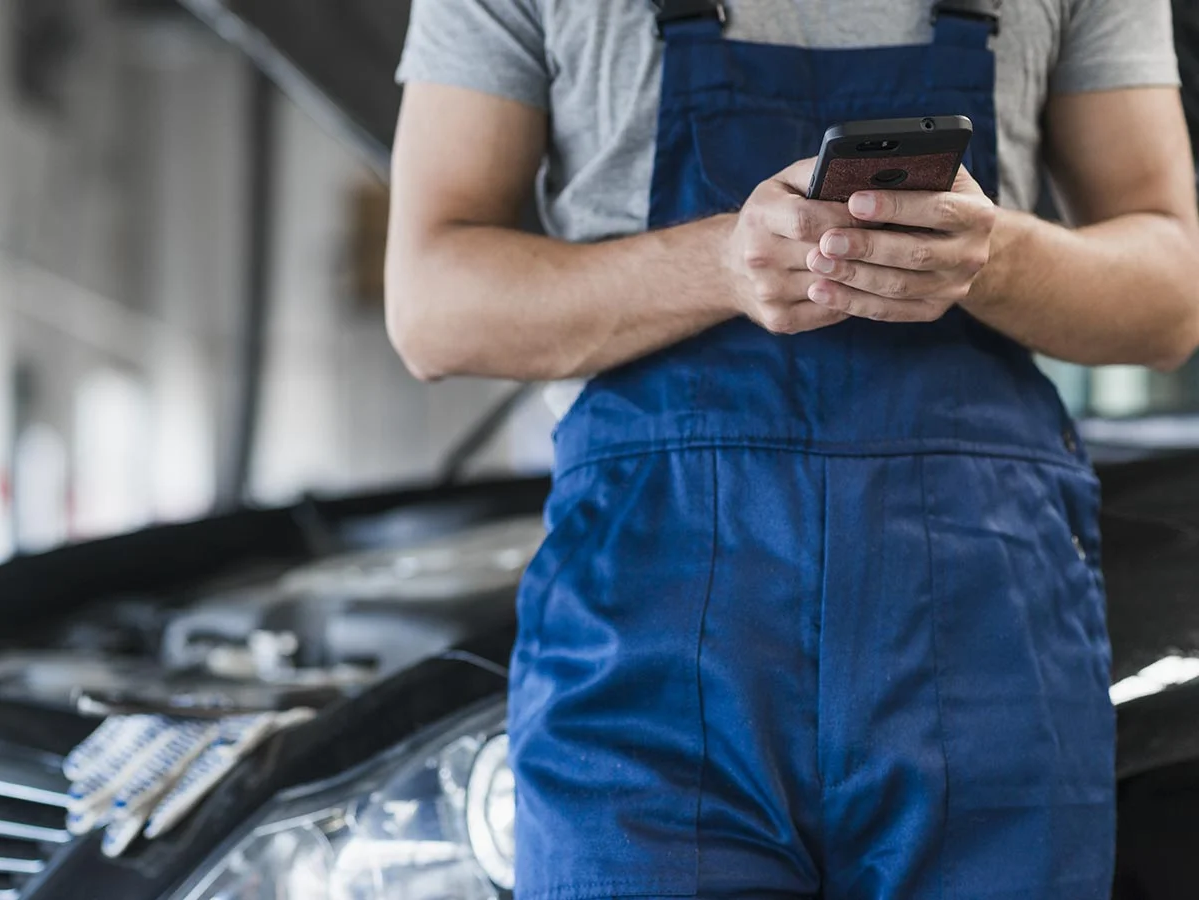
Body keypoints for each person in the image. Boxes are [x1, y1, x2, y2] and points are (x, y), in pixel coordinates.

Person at [386, 0, 1199, 896]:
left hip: (983, 646)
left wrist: (992, 256)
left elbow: (1170, 300)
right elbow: (431, 309)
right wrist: (720, 265)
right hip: (650, 647)